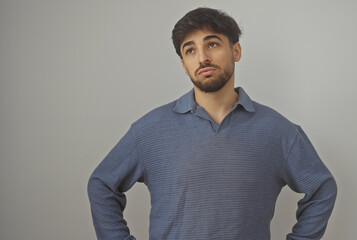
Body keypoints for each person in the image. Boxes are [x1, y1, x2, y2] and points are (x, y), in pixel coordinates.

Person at [88, 7, 337, 240]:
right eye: (190, 50)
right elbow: (102, 184)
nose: (203, 58)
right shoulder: (149, 130)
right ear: (184, 66)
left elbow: (322, 187)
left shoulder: (279, 131)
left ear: (236, 51)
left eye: (213, 44)